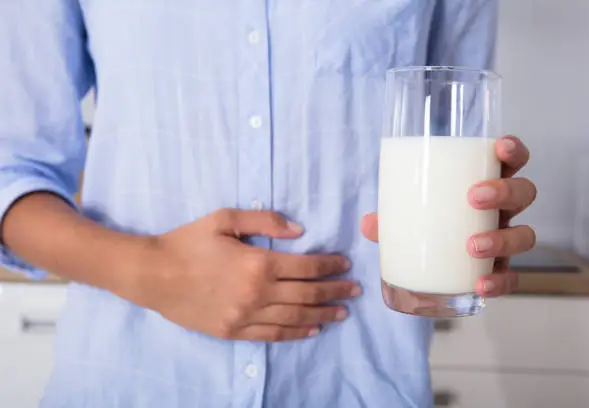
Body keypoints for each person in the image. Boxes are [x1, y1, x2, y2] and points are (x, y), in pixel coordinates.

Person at [0, 1, 536, 407]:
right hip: (127, 383)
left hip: (357, 385)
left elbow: (454, 145)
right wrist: (154, 272)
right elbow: (12, 175)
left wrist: (473, 230)